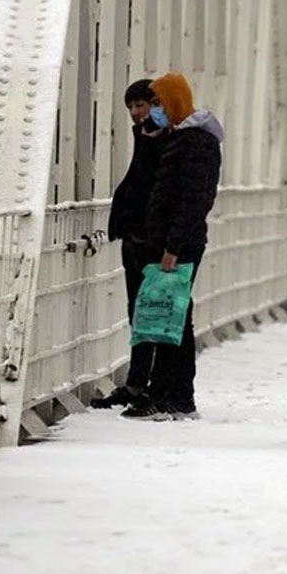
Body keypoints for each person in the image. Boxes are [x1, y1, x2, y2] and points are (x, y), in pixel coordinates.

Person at [121, 72, 224, 421]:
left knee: (173, 318)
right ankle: (171, 393)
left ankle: (171, 394)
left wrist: (173, 247)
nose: (155, 111)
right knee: (173, 316)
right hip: (170, 242)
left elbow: (192, 201)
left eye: (160, 104)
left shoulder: (195, 143)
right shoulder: (183, 137)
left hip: (178, 245)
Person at [93, 79, 165, 410]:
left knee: (150, 311)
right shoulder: (146, 135)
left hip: (149, 238)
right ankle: (138, 382)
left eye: (141, 105)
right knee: (139, 311)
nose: (136, 113)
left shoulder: (163, 138)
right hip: (137, 235)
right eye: (131, 108)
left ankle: (147, 385)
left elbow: (152, 185)